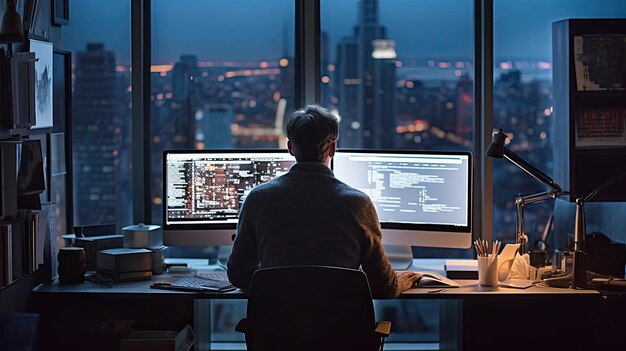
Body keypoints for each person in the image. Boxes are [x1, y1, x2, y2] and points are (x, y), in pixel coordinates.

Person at [227, 105, 420, 298]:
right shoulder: (359, 204)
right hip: (340, 326)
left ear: (290, 148)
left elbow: (238, 276)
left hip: (277, 326)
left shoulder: (258, 199)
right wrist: (401, 283)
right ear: (333, 148)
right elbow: (383, 287)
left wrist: (273, 276)